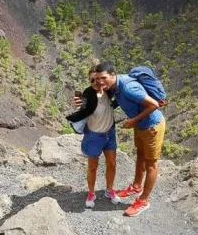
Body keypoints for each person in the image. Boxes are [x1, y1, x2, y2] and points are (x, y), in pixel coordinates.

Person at [90, 61, 166, 217]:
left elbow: (154, 105)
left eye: (103, 78)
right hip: (141, 125)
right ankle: (137, 186)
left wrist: (133, 121)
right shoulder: (115, 86)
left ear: (113, 74)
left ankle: (144, 200)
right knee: (140, 155)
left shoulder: (129, 87)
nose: (100, 82)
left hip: (152, 125)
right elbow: (119, 99)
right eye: (97, 79)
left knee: (151, 163)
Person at [66, 66, 120, 208]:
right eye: (93, 80)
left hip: (110, 133)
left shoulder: (108, 91)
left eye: (99, 78)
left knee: (112, 163)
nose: (97, 82)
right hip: (94, 136)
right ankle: (91, 192)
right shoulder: (88, 94)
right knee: (92, 167)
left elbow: (117, 98)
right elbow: (82, 105)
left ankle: (109, 190)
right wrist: (76, 106)